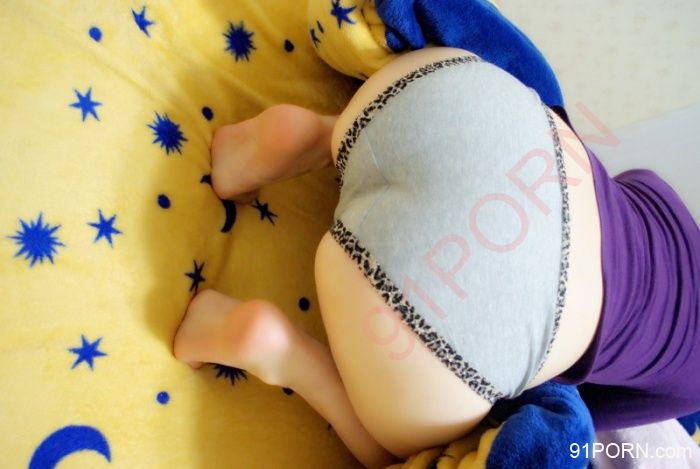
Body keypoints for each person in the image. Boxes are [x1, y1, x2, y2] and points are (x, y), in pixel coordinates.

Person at [173, 47, 700, 468]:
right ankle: (280, 350)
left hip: (456, 101)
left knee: (402, 135)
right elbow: (565, 407)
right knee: (411, 451)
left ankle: (312, 137)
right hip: (441, 308)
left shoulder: (672, 202)